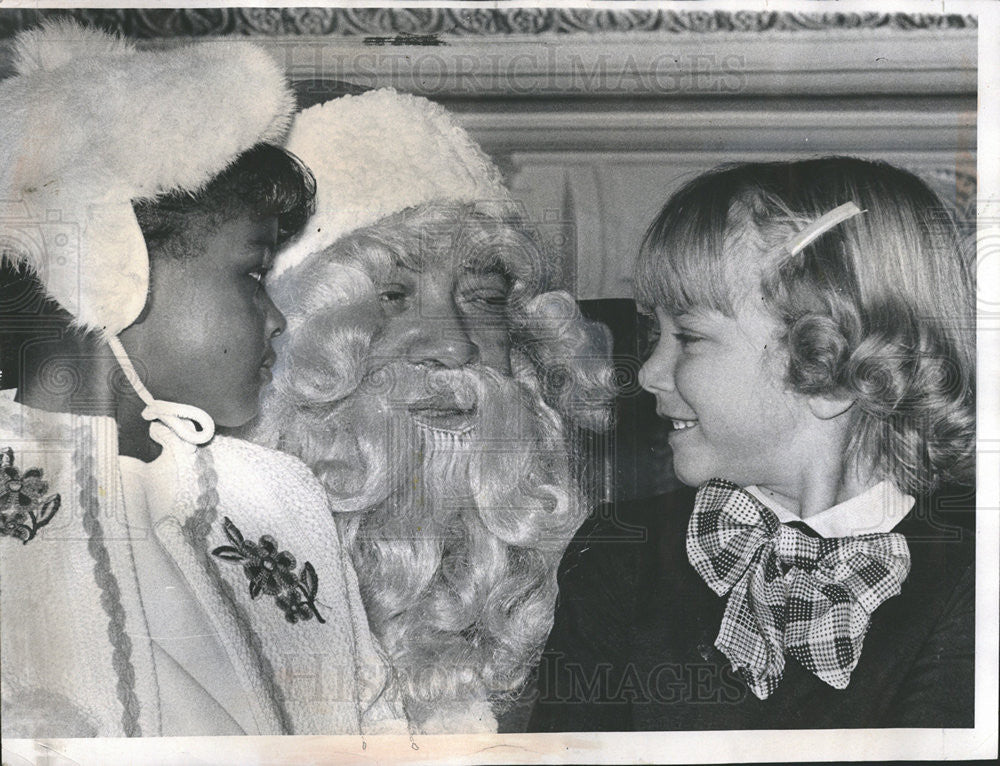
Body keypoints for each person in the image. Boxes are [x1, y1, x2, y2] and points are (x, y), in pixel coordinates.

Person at [0, 22, 405, 736]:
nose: (278, 319)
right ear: (107, 263)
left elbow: (375, 725)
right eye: (252, 274)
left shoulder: (280, 494)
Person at [529, 157, 975, 730]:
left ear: (831, 368)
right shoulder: (620, 553)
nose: (647, 373)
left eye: (687, 337)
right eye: (652, 333)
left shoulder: (968, 585)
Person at [250, 88, 615, 733]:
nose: (454, 345)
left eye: (482, 297)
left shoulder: (610, 585)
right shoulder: (210, 566)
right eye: (391, 297)